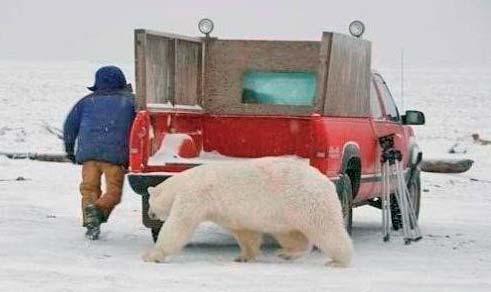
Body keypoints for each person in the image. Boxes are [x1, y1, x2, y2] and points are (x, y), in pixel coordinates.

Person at [63, 66, 136, 240]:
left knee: (89, 189)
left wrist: (69, 148)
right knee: (113, 193)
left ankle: (90, 222)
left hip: (88, 154)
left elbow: (69, 126)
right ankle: (97, 211)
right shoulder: (131, 102)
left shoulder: (86, 101)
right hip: (115, 156)